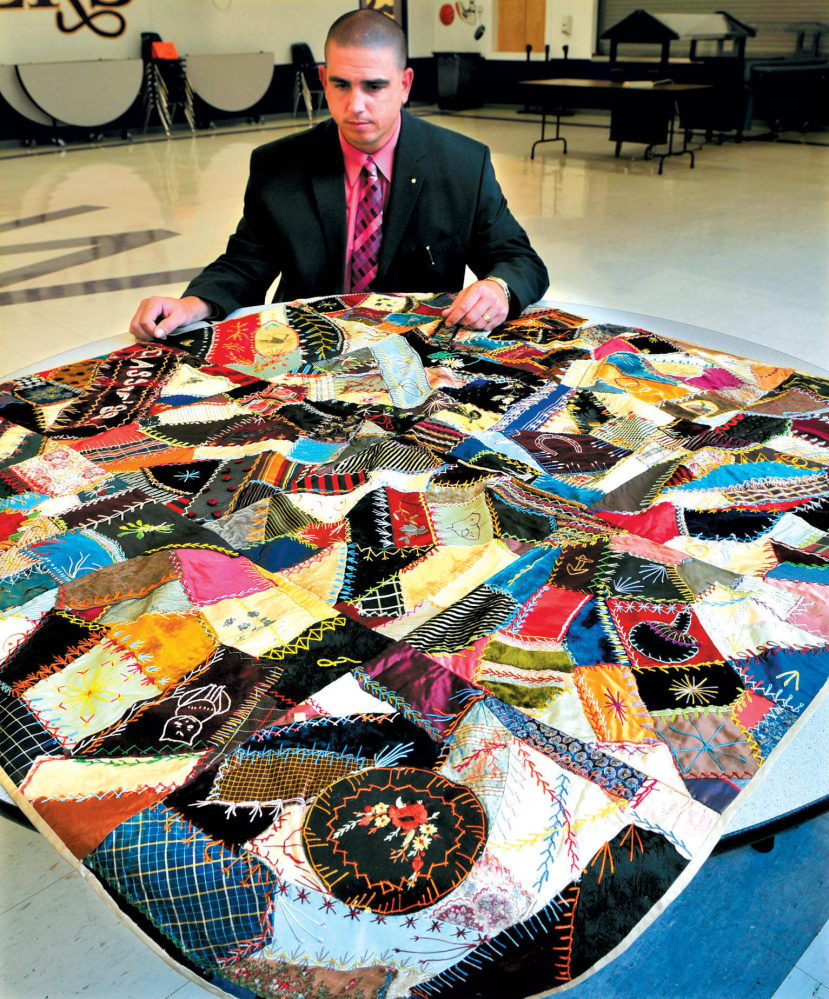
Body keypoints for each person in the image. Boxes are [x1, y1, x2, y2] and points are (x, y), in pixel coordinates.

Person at [129, 9, 548, 342]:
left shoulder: (460, 164)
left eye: (374, 87)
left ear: (404, 84)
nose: (356, 105)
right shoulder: (280, 165)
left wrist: (498, 289)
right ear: (323, 81)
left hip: (416, 349)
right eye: (341, 85)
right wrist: (191, 305)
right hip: (304, 349)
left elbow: (519, 260)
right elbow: (245, 263)